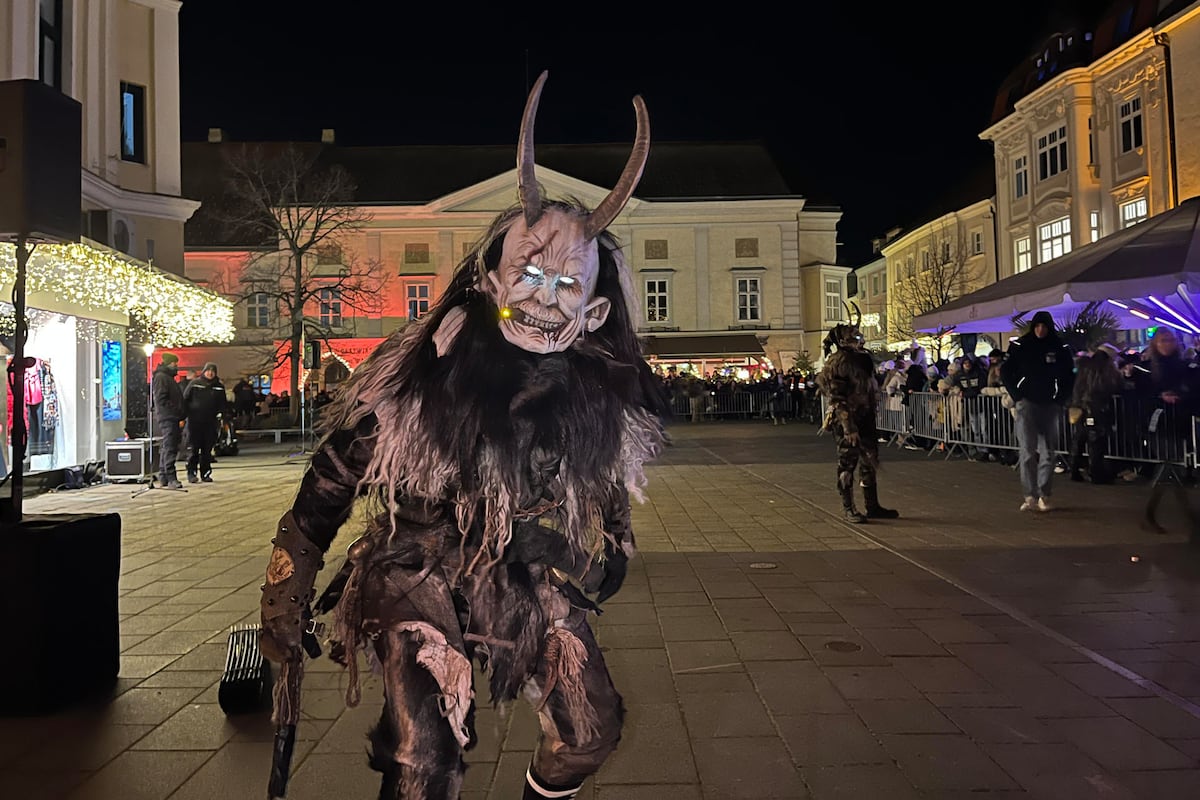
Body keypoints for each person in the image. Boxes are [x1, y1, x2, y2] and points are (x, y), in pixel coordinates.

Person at [258, 72, 668, 800]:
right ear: (489, 278)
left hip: (523, 574)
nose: (544, 300)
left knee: (589, 731)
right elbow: (329, 482)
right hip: (417, 575)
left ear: (595, 312)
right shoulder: (418, 376)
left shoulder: (592, 398)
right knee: (425, 760)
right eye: (530, 275)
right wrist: (283, 598)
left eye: (567, 287)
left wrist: (606, 551)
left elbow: (607, 494)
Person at [817, 304, 899, 523]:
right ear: (844, 342)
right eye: (855, 337)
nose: (860, 340)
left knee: (869, 460)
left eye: (860, 336)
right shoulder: (839, 363)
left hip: (865, 416)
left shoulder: (862, 360)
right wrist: (848, 427)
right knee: (847, 463)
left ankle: (872, 506)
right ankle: (849, 507)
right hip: (848, 419)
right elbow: (837, 397)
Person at [1000, 310, 1075, 511]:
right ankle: (1030, 495)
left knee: (1049, 452)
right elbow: (1006, 371)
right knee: (1027, 451)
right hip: (1027, 402)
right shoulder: (1020, 346)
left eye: (1044, 326)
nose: (1041, 330)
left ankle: (1044, 493)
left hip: (1050, 403)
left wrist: (1061, 398)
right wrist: (1017, 394)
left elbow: (1070, 374)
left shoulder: (1059, 347)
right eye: (1038, 326)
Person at [1069, 343, 1123, 484]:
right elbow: (1113, 386)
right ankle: (1096, 473)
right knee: (1096, 442)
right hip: (1097, 407)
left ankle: (1074, 470)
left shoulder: (1084, 366)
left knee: (1079, 439)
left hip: (1079, 406)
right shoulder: (1106, 370)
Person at [182, 362, 226, 483]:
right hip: (194, 421)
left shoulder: (219, 387)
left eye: (213, 371)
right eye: (208, 370)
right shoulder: (195, 384)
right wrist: (184, 415)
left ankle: (205, 473)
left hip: (210, 422)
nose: (210, 373)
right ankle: (191, 473)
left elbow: (223, 404)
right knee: (193, 449)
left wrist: (222, 416)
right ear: (204, 371)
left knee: (207, 450)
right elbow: (185, 399)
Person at [150, 352, 185, 489]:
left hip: (170, 416)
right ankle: (171, 477)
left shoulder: (166, 377)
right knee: (170, 447)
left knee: (168, 446)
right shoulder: (162, 378)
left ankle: (164, 475)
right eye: (174, 363)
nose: (176, 366)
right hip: (168, 416)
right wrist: (176, 410)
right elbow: (161, 399)